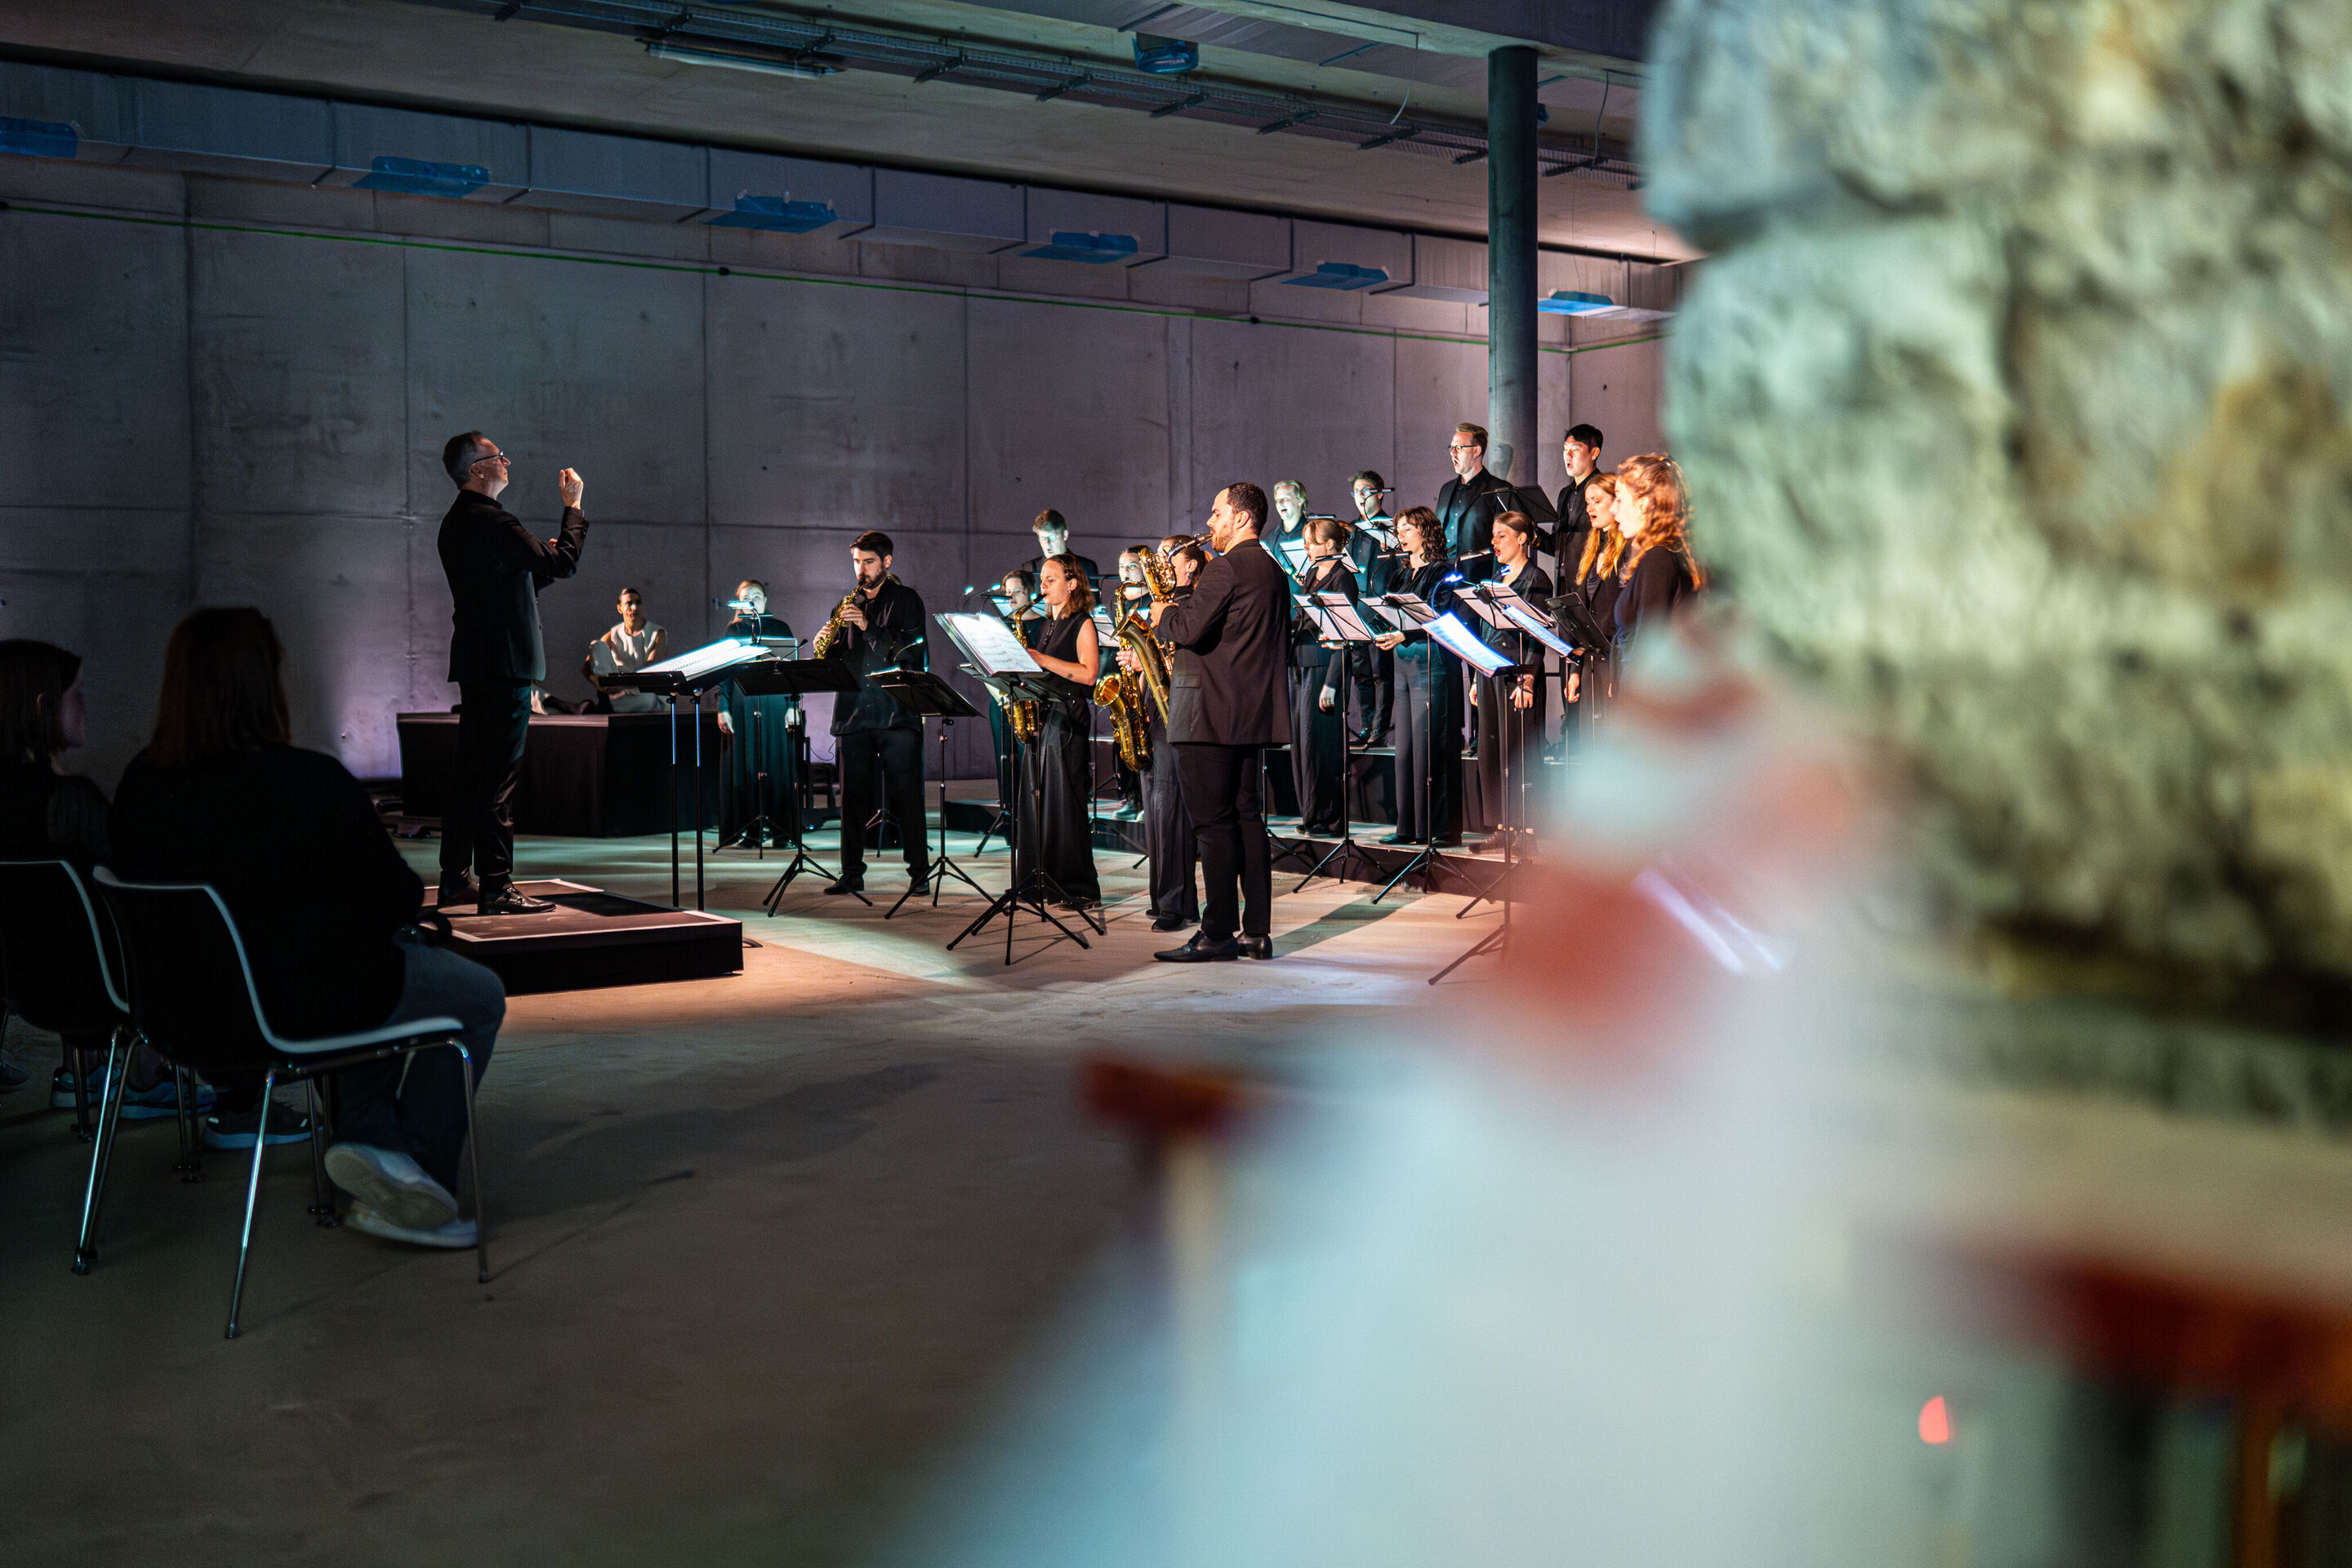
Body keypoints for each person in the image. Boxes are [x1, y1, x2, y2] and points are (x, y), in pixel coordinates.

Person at [111, 608, 504, 1250]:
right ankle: (418, 1178)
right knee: (476, 995)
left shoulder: (139, 784)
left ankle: (373, 1140)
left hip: (177, 1016)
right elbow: (400, 894)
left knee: (368, 969)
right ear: (265, 684)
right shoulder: (306, 781)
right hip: (294, 1007)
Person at [0, 639, 219, 1121]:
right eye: (76, 693)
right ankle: (145, 1074)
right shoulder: (68, 803)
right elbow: (137, 891)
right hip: (103, 989)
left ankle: (82, 1071)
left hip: (29, 988)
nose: (85, 706)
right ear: (41, 706)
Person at [435, 430, 589, 915]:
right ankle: (497, 886)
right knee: (497, 779)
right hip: (506, 664)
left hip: (479, 663)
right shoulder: (494, 519)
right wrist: (573, 508)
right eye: (497, 457)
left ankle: (455, 880)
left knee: (471, 775)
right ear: (476, 469)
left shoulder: (458, 522)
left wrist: (534, 563)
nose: (506, 462)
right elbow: (564, 563)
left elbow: (508, 582)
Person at [1152, 483, 1291, 963]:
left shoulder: (1226, 567)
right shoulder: (1273, 570)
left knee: (1212, 825)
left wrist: (1164, 611)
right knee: (1246, 819)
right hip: (1249, 715)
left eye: (1216, 513)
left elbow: (1187, 629)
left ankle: (1216, 933)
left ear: (1241, 517)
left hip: (1208, 715)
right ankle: (1256, 932)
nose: (1210, 522)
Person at [825, 531, 932, 897]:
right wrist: (828, 642)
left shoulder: (907, 600)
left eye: (868, 562)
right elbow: (836, 659)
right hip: (854, 712)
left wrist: (867, 626)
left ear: (886, 562)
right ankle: (851, 873)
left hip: (896, 713)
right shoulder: (846, 605)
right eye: (857, 562)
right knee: (852, 799)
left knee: (907, 796)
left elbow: (909, 653)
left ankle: (919, 873)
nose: (861, 569)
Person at [1012, 555, 1103, 908]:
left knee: (1066, 805)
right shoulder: (1049, 624)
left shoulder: (1082, 623)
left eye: (1051, 580)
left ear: (1072, 584)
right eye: (1042, 580)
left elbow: (1089, 674)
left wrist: (1042, 660)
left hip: (1067, 720)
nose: (1043, 587)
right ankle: (1039, 882)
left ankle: (1079, 888)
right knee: (1039, 804)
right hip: (1044, 717)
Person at [1126, 537, 1206, 932]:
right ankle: (1163, 897)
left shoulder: (1192, 603)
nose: (1158, 563)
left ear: (1190, 565)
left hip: (1180, 710)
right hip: (1156, 708)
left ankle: (1178, 905)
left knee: (1170, 808)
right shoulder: (1163, 603)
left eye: (1166, 556)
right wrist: (1137, 665)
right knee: (1157, 807)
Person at [1372, 507, 1463, 847]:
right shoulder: (1399, 574)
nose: (1401, 535)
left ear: (1425, 531)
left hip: (1431, 661)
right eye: (1399, 529)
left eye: (1407, 529)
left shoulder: (1443, 571)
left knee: (1432, 745)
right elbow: (1389, 613)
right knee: (1406, 749)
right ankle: (1407, 827)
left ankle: (1439, 828)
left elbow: (1442, 615)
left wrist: (1404, 633)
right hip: (1403, 664)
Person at [1469, 511, 1553, 840]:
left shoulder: (1537, 578)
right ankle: (1503, 826)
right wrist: (1476, 677)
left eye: (1501, 535)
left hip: (1518, 674)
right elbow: (1483, 630)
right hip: (1490, 673)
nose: (1494, 542)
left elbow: (1538, 636)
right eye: (1493, 535)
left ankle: (1527, 828)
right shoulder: (1495, 579)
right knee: (1492, 751)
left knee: (1520, 751)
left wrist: (1528, 680)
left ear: (1522, 539)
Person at [1289, 517, 1357, 838]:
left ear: (1329, 544)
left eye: (1311, 542)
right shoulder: (1312, 573)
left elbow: (1344, 635)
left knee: (1320, 745)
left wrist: (1332, 683)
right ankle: (1309, 813)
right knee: (1302, 744)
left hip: (1324, 665)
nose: (1305, 548)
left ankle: (1326, 816)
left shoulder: (1343, 578)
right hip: (1301, 663)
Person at [715, 581, 797, 849]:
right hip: (743, 702)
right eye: (746, 597)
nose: (752, 601)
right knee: (747, 767)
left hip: (775, 703)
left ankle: (782, 832)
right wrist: (723, 707)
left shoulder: (780, 628)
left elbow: (792, 671)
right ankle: (750, 831)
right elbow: (725, 673)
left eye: (757, 596)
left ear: (766, 600)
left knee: (777, 766)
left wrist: (792, 706)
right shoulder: (734, 630)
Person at [1612, 454, 1708, 653]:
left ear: (1643, 504)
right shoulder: (1662, 555)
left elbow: (1648, 649)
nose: (1613, 508)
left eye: (1619, 499)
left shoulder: (1658, 559)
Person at [1566, 472, 1629, 722]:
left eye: (1597, 501)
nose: (1589, 508)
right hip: (1591, 661)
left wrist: (1619, 673)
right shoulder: (1592, 549)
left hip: (1616, 661)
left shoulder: (1628, 550)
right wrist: (1575, 670)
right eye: (1587, 502)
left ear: (1616, 502)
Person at [1345, 470, 1398, 746]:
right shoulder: (1352, 529)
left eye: (1365, 491)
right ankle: (1366, 726)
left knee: (1381, 673)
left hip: (1379, 608)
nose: (1360, 497)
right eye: (1356, 492)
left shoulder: (1391, 527)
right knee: (1361, 672)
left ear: (1379, 494)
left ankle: (1380, 728)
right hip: (1356, 608)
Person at [985, 570, 1042, 825]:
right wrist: (1000, 694)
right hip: (1002, 701)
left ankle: (1032, 820)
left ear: (1030, 593)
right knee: (1005, 759)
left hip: (1030, 703)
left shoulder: (1043, 624)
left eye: (1016, 591)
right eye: (1007, 592)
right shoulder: (1000, 626)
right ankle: (1009, 818)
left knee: (1029, 761)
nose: (1010, 597)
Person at [1432, 422, 1517, 574]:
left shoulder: (1500, 489)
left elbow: (1505, 542)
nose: (1453, 453)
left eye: (1459, 448)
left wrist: (1496, 581)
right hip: (1444, 577)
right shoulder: (1446, 489)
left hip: (1479, 577)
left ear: (1476, 451)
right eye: (1451, 448)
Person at [583, 587, 666, 714]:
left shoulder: (657, 633)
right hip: (617, 691)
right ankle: (608, 700)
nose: (634, 607)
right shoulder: (612, 635)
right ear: (620, 608)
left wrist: (623, 686)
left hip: (643, 691)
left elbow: (650, 669)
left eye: (638, 603)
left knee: (647, 699)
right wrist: (601, 686)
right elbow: (587, 667)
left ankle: (606, 705)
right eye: (629, 603)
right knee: (597, 645)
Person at [1554, 424, 1606, 574]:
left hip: (1591, 578)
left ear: (1594, 453)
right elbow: (1560, 545)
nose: (1568, 455)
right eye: (1565, 449)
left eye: (1575, 450)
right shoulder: (1565, 494)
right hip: (1564, 581)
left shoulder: (1604, 490)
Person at [1016, 510, 1102, 594]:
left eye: (1052, 537)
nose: (1047, 543)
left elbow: (1093, 601)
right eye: (1043, 538)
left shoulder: (1086, 567)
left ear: (1065, 535)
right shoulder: (1030, 568)